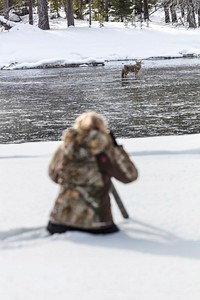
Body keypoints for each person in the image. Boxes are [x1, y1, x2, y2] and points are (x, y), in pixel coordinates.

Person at [47, 111, 138, 235]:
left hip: (59, 222)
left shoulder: (66, 148)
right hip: (96, 225)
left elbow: (54, 176)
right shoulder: (104, 150)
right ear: (102, 129)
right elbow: (130, 176)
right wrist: (117, 148)